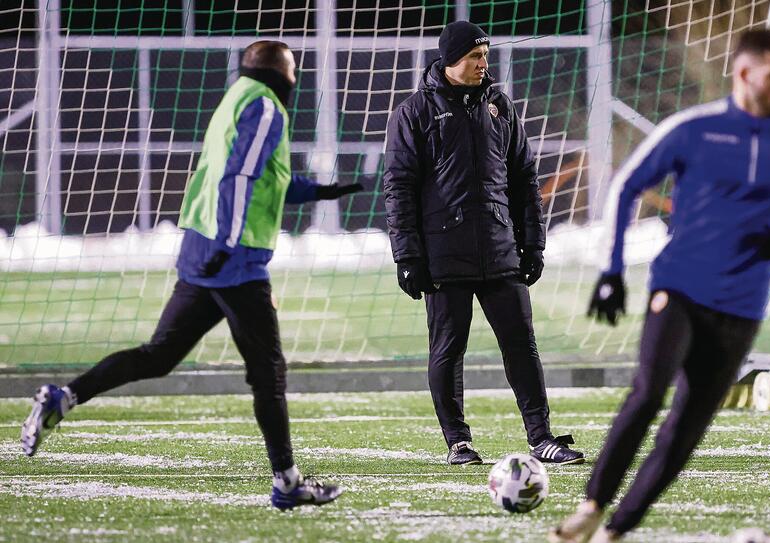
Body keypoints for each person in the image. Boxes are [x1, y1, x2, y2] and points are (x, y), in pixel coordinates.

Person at [20, 40, 363, 511]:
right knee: (269, 374)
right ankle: (287, 483)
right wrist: (228, 246)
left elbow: (262, 179)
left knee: (158, 355)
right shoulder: (266, 108)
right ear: (281, 75)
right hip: (234, 262)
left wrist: (322, 191)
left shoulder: (235, 99)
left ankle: (64, 397)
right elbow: (239, 180)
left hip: (202, 252)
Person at [550, 29, 770, 543]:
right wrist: (611, 271)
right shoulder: (694, 129)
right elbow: (629, 184)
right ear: (745, 73)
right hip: (679, 289)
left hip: (743, 307)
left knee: (687, 427)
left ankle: (616, 531)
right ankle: (590, 507)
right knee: (648, 393)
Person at [382, 21, 583, 466]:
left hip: (499, 249)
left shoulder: (500, 107)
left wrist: (533, 245)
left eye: (485, 55)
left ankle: (542, 438)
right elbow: (398, 186)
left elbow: (525, 180)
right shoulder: (414, 112)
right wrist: (408, 255)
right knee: (449, 349)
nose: (483, 63)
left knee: (522, 345)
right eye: (475, 56)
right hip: (442, 256)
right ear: (451, 60)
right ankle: (458, 441)